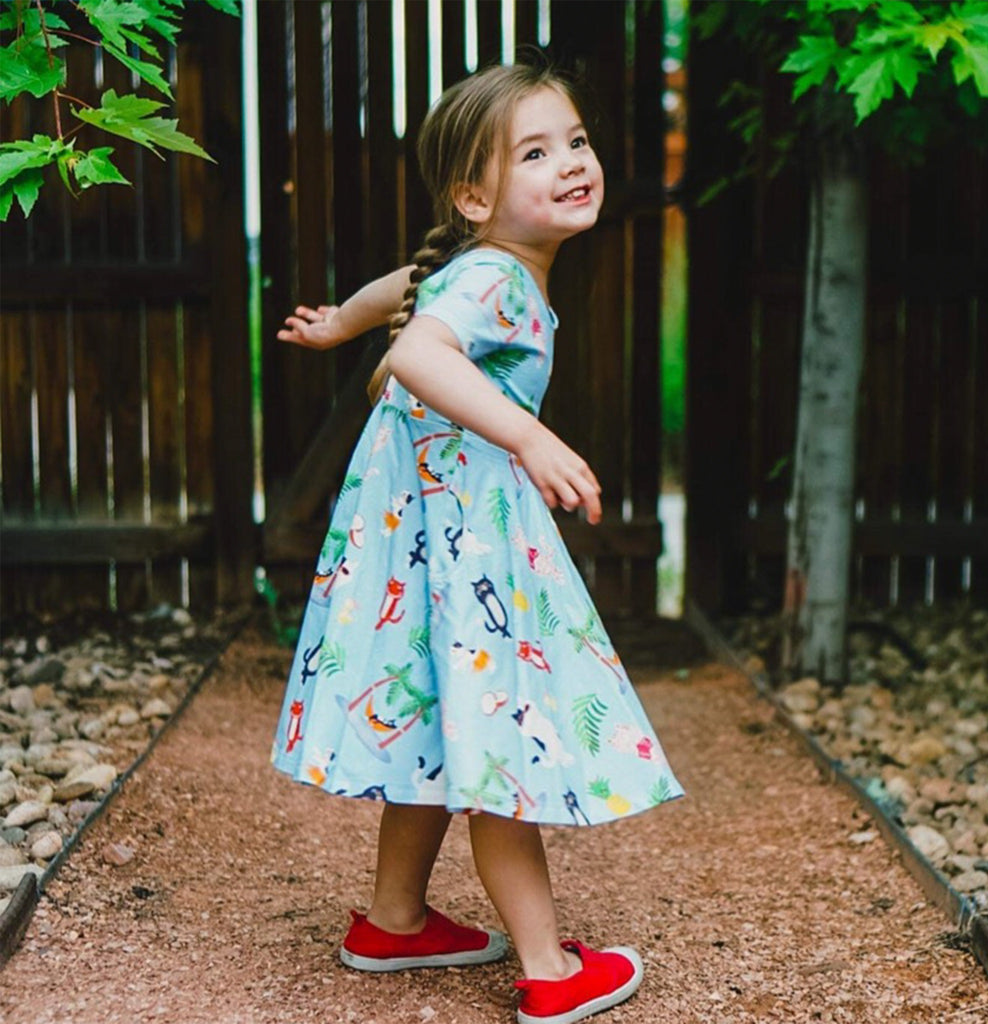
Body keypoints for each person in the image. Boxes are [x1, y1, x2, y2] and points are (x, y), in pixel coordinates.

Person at [271, 61, 685, 1024]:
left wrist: (340, 322)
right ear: (474, 195)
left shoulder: (469, 267)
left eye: (574, 142)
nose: (571, 164)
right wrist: (530, 433)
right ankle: (547, 971)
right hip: (463, 544)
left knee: (436, 714)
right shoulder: (499, 277)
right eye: (534, 153)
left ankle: (395, 919)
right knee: (503, 740)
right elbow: (416, 350)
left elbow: (405, 291)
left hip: (419, 544)